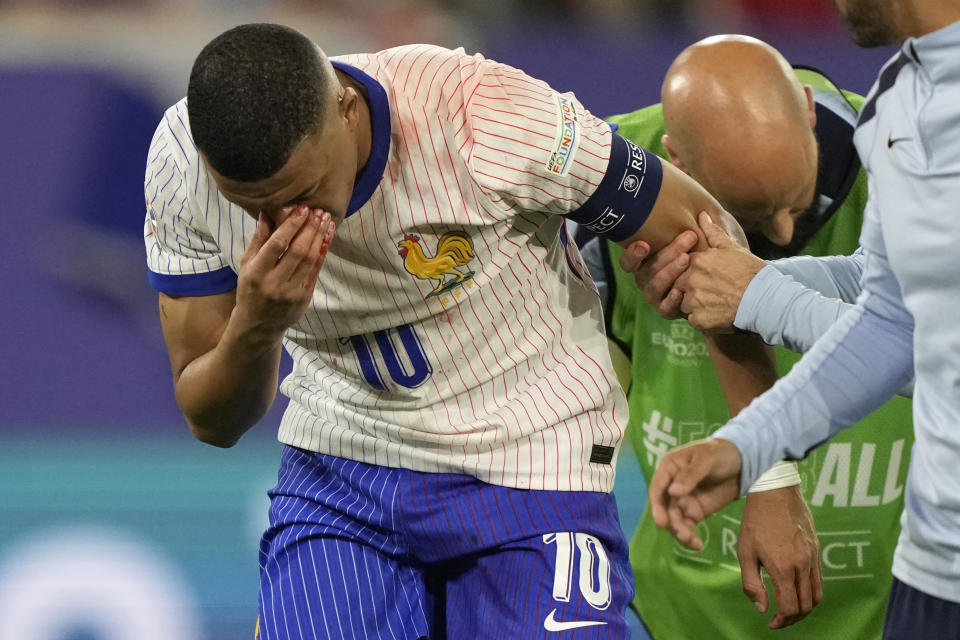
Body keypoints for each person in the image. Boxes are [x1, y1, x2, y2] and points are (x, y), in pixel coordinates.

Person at [142, 23, 775, 639]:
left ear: (347, 107)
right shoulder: (179, 166)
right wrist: (257, 326)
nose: (280, 221)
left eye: (302, 191)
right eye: (251, 205)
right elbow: (213, 422)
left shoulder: (483, 114)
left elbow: (711, 238)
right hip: (343, 471)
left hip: (532, 462)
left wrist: (771, 475)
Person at [581, 35, 913, 638]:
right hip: (679, 620)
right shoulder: (604, 193)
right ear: (676, 160)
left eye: (795, 200)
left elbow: (926, 345)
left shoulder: (912, 168)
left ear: (808, 109)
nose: (784, 231)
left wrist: (755, 288)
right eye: (755, 216)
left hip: (889, 619)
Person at [646, 3, 960, 638]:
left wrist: (760, 292)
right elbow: (892, 309)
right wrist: (749, 447)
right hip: (933, 565)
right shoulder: (901, 97)